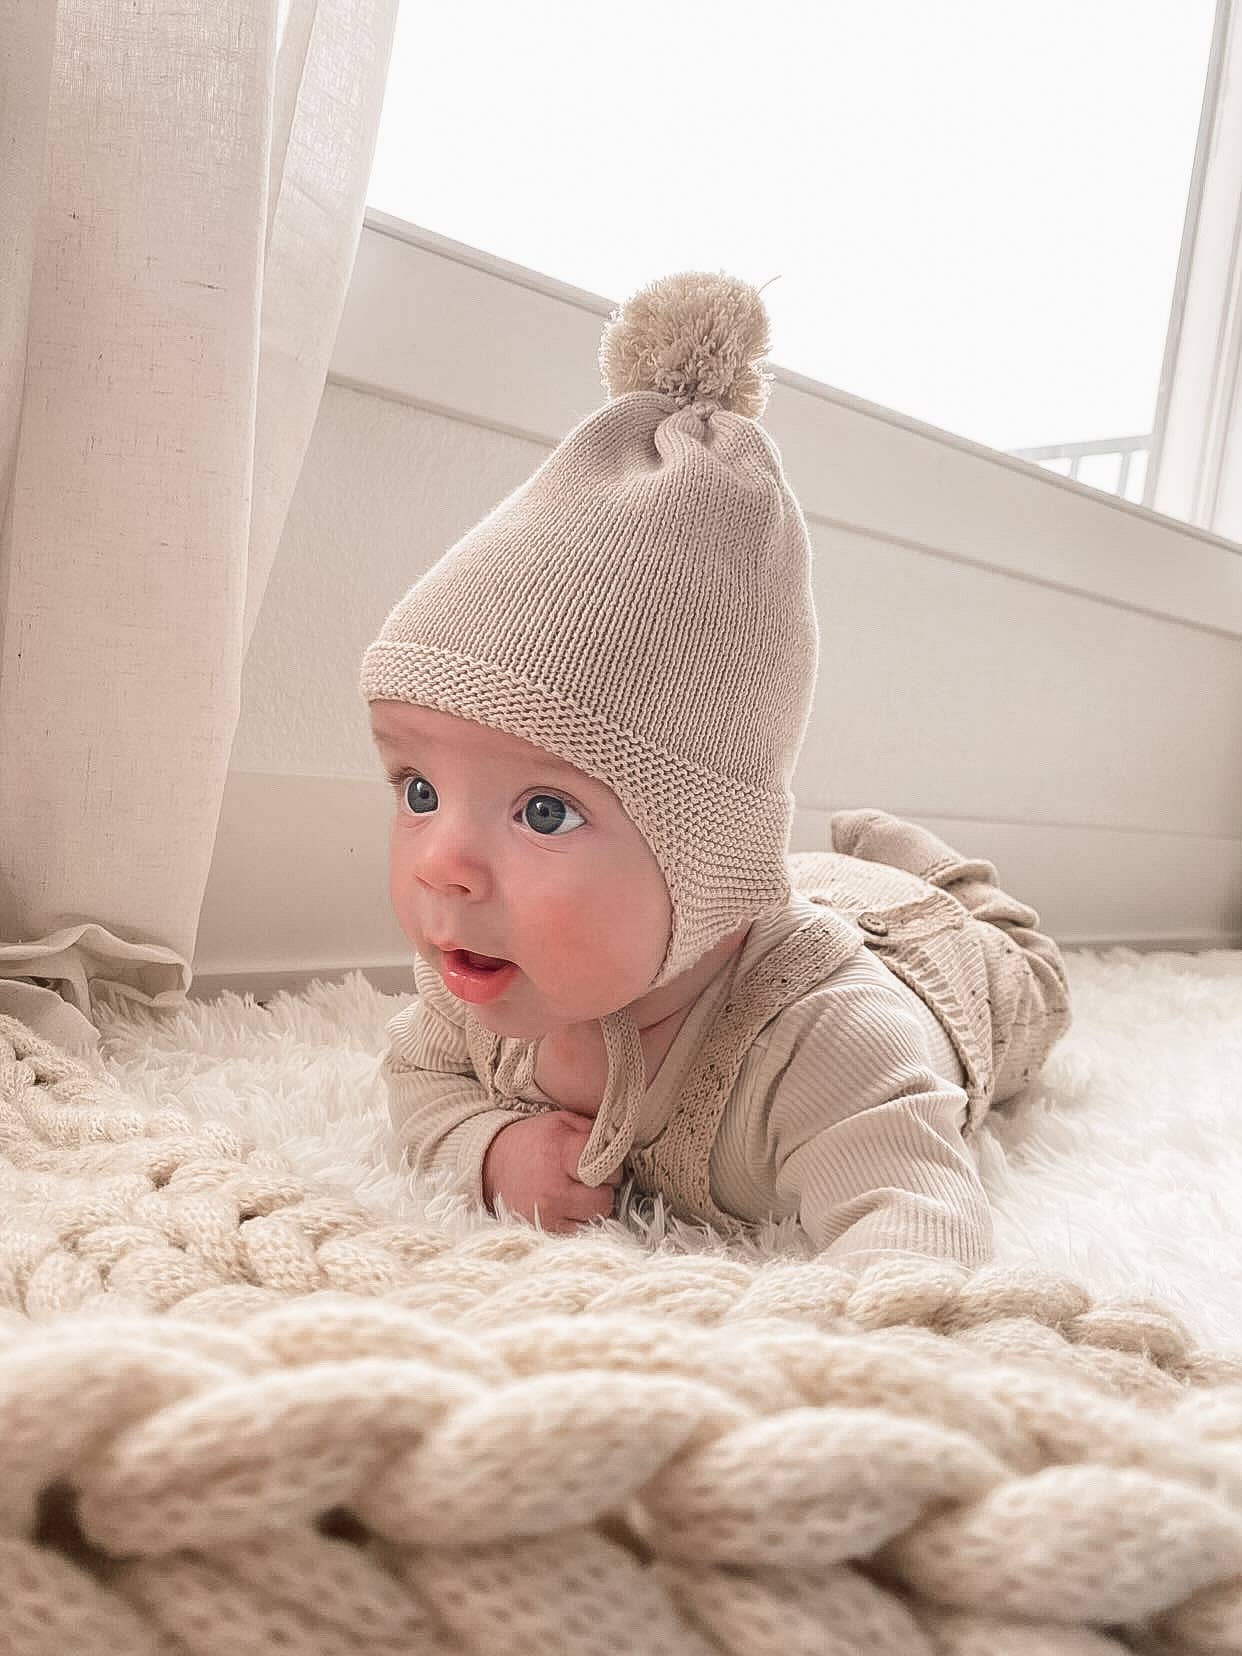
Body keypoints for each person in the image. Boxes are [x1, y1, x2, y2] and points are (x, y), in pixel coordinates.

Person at [359, 270, 1072, 1271]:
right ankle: (867, 858)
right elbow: (418, 1085)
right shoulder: (481, 989)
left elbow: (913, 1222)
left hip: (921, 957)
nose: (443, 863)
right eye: (419, 792)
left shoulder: (830, 1046)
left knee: (1027, 978)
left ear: (708, 859)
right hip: (772, 894)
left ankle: (946, 880)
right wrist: (493, 1148)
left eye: (545, 811)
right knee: (822, 884)